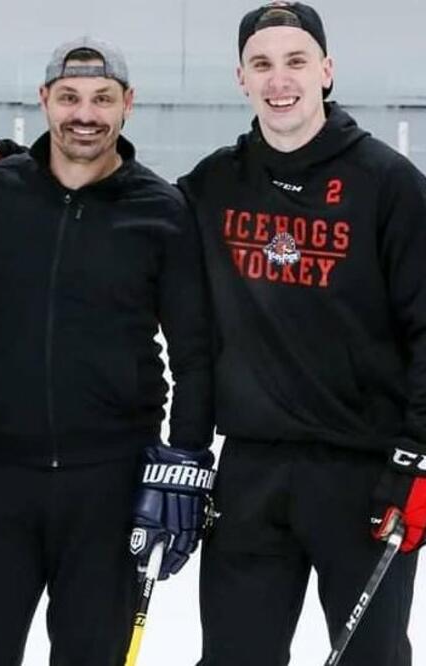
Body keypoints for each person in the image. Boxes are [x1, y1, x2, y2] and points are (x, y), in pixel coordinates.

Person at [0, 38, 215, 665]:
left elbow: (197, 353)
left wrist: (187, 460)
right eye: (69, 98)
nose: (84, 114)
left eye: (102, 99)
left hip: (109, 485)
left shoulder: (162, 211)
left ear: (128, 105)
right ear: (44, 101)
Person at [177, 3, 426, 664]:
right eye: (261, 63)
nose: (278, 78)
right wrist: (17, 179)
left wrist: (417, 455)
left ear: (326, 70)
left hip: (364, 476)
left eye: (294, 61)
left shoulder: (389, 185)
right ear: (240, 77)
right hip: (252, 473)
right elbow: (125, 238)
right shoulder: (212, 185)